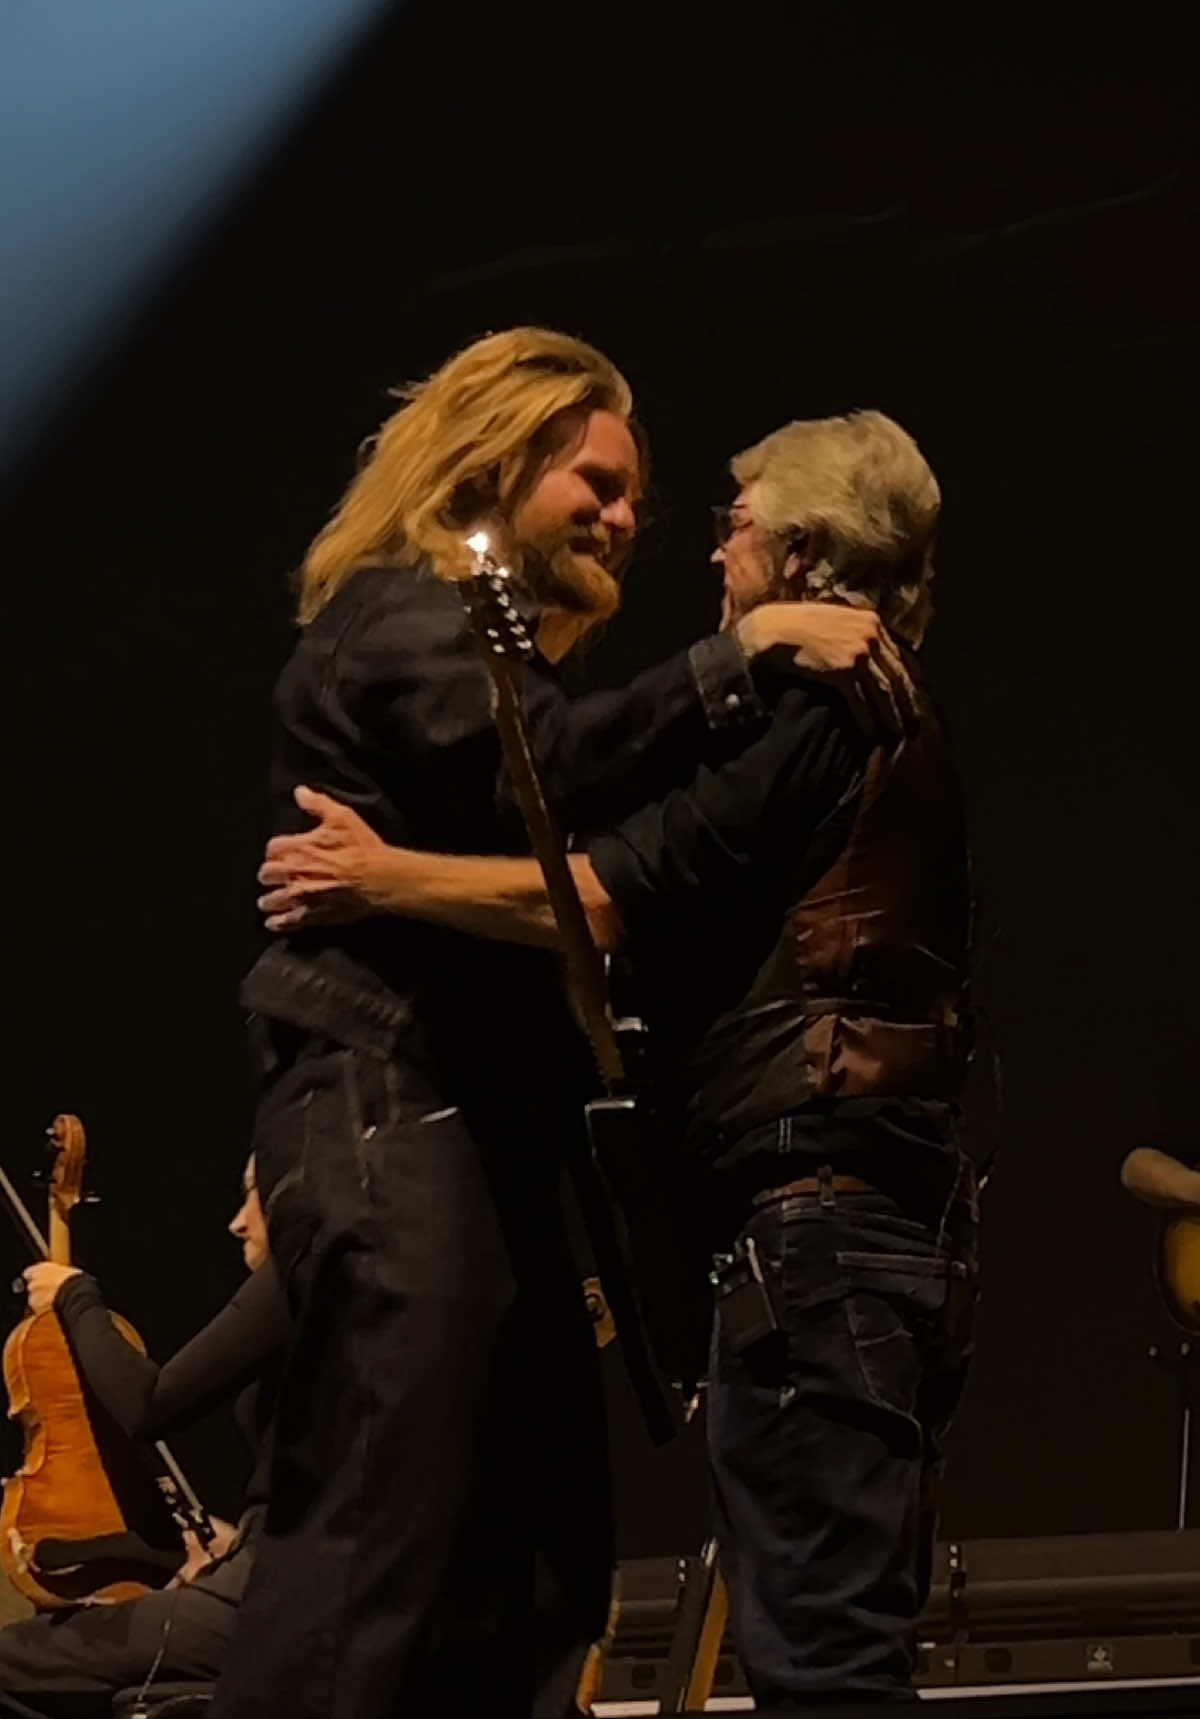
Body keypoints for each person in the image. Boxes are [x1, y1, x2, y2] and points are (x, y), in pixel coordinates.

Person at [218, 327, 914, 1719]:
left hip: (484, 1142)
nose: (624, 516)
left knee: (539, 1567)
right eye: (593, 479)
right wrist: (752, 646)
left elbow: (590, 834)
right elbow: (550, 773)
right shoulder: (402, 614)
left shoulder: (493, 656)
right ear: (493, 456)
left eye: (637, 499)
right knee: (373, 1545)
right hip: (389, 1110)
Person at [0, 1159, 288, 1719]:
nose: (237, 1222)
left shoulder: (299, 1277)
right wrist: (234, 1542)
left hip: (271, 1601)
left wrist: (77, 1295)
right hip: (265, 1577)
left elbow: (150, 1404)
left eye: (254, 1195)